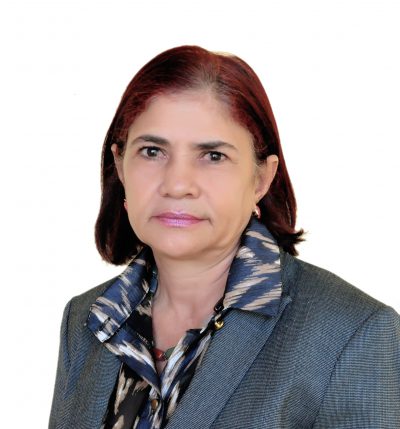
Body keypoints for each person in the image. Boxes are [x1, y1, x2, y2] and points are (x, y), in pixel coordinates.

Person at [49, 45, 400, 429]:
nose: (177, 184)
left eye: (213, 156)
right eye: (152, 151)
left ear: (261, 179)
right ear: (120, 165)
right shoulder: (87, 320)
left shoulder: (352, 335)